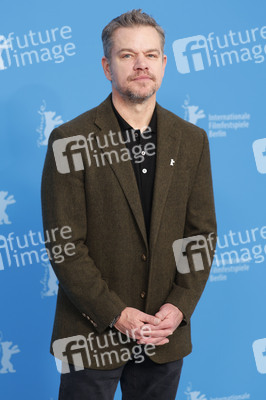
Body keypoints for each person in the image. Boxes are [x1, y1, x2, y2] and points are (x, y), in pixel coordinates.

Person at [41, 9, 217, 400]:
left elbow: (200, 235)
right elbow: (65, 245)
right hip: (91, 335)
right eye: (127, 55)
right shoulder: (70, 140)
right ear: (107, 66)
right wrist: (117, 315)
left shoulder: (192, 141)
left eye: (150, 55)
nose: (141, 65)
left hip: (163, 335)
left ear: (164, 63)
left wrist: (179, 305)